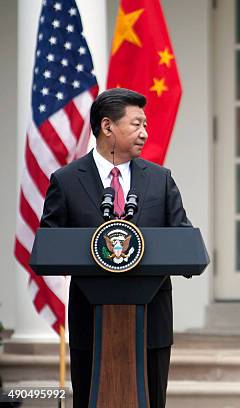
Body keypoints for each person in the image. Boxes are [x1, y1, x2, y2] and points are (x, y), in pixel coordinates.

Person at [40, 88, 191, 408]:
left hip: (151, 323)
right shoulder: (66, 180)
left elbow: (183, 239)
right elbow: (50, 243)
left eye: (145, 125)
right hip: (91, 323)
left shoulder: (160, 179)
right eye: (136, 124)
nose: (144, 133)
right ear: (107, 126)